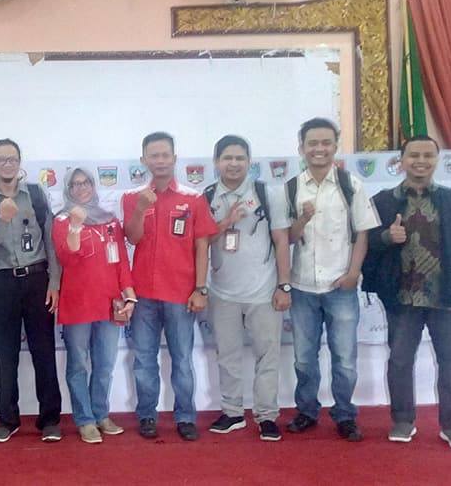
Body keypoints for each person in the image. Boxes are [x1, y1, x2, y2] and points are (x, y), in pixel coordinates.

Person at [363, 135, 451, 450]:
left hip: (448, 298)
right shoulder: (383, 202)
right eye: (414, 155)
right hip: (401, 299)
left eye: (427, 156)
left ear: (436, 160)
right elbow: (363, 246)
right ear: (401, 160)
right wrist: (387, 237)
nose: (420, 161)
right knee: (399, 361)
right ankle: (403, 421)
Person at [285, 118, 379, 442]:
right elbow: (288, 238)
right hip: (302, 287)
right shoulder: (291, 188)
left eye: (326, 142)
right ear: (301, 148)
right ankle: (306, 411)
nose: (319, 149)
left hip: (340, 286)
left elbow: (362, 233)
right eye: (312, 143)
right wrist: (303, 218)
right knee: (303, 358)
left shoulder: (350, 184)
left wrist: (353, 274)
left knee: (345, 359)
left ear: (335, 146)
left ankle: (345, 414)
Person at [121, 132, 218, 441]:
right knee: (143, 361)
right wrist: (140, 208)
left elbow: (202, 246)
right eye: (154, 155)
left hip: (180, 293)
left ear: (175, 158)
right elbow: (132, 238)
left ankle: (186, 417)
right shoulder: (132, 197)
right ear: (143, 160)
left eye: (165, 155)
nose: (160, 160)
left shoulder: (193, 198)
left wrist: (200, 288)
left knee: (182, 360)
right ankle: (147, 415)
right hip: (143, 295)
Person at [0, 138, 63, 443]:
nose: (7, 164)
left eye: (12, 159)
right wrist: (2, 219)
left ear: (19, 162)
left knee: (44, 352)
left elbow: (51, 241)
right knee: (6, 355)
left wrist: (54, 283)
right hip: (4, 283)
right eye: (0, 159)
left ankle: (50, 419)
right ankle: (7, 420)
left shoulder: (35, 194)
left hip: (38, 281)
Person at [204, 135, 291, 442]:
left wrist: (284, 285)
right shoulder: (207, 197)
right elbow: (201, 242)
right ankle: (232, 412)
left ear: (249, 162)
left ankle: (267, 415)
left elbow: (282, 240)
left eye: (240, 158)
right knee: (227, 355)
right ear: (216, 162)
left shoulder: (268, 193)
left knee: (268, 356)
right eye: (227, 158)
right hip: (222, 292)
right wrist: (226, 221)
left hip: (263, 291)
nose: (234, 164)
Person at [52, 168, 136, 444]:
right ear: (68, 189)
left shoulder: (110, 220)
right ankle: (85, 419)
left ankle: (101, 414)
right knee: (78, 364)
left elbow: (121, 261)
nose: (82, 188)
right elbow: (68, 258)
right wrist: (76, 226)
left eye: (86, 182)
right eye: (75, 184)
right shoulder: (62, 220)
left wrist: (130, 296)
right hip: (77, 304)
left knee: (105, 363)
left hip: (110, 303)